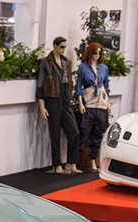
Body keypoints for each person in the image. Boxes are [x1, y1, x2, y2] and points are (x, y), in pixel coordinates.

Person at [36, 36, 81, 175]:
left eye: (64, 47)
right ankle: (57, 164)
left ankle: (71, 163)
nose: (63, 50)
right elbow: (40, 86)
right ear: (55, 46)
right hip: (52, 99)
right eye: (61, 47)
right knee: (54, 133)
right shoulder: (45, 63)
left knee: (74, 132)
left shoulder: (67, 63)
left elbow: (69, 82)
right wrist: (42, 106)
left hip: (65, 99)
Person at [75, 42, 110, 172]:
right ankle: (74, 160)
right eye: (95, 52)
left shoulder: (103, 68)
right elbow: (78, 86)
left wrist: (108, 103)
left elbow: (106, 87)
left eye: (99, 53)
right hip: (89, 102)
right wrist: (80, 103)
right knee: (84, 131)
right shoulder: (83, 68)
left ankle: (93, 161)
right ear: (90, 53)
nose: (97, 55)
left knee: (98, 133)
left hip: (101, 103)